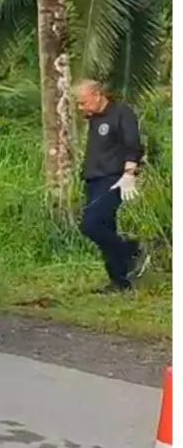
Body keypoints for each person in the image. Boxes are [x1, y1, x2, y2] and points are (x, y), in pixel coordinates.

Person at [77, 79, 148, 292]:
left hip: (113, 179)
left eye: (83, 102)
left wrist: (129, 173)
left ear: (97, 95)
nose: (80, 107)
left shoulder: (121, 113)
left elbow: (133, 144)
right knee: (106, 228)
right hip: (93, 179)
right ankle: (119, 281)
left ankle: (130, 249)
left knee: (90, 224)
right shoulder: (94, 117)